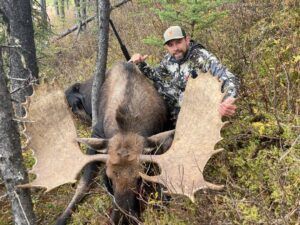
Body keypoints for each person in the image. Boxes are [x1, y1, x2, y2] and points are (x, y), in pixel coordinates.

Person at [129, 25, 239, 127]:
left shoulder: (200, 56)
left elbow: (228, 77)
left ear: (187, 40)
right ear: (166, 47)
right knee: (158, 86)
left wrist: (228, 99)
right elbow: (156, 75)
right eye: (170, 45)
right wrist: (140, 63)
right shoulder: (169, 60)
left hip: (202, 108)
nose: (175, 48)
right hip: (182, 107)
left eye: (178, 42)